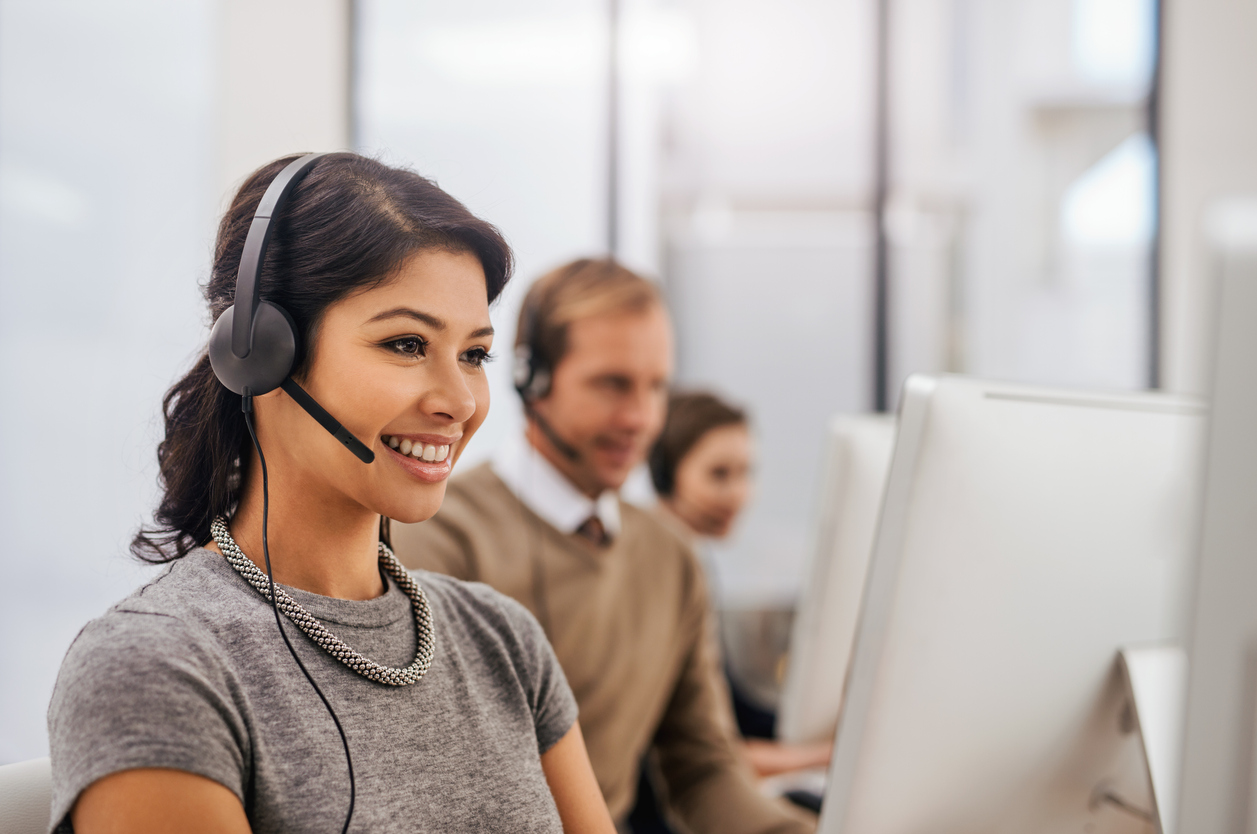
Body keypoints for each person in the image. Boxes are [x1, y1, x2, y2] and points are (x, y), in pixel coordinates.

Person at [46, 153, 615, 834]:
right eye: (406, 344)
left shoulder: (503, 640)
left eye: (473, 355)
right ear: (260, 352)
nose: (460, 402)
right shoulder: (156, 667)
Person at [390, 258, 815, 834]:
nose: (641, 417)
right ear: (531, 380)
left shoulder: (670, 556)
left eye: (656, 386)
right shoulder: (435, 537)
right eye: (613, 384)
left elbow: (703, 769)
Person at [649, 392, 833, 780]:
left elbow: (735, 712)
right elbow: (695, 750)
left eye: (746, 473)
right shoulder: (653, 576)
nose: (739, 494)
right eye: (719, 474)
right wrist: (820, 756)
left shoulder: (694, 560)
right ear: (665, 473)